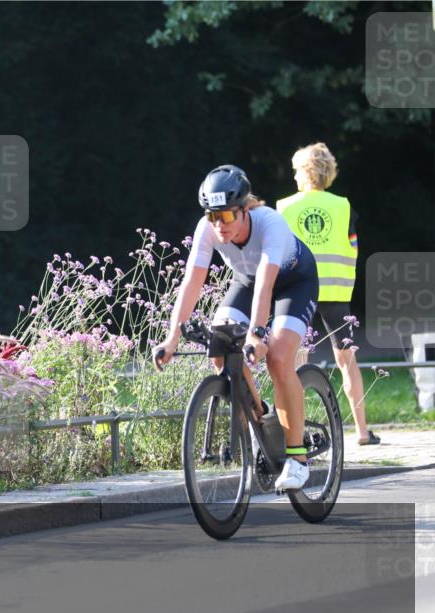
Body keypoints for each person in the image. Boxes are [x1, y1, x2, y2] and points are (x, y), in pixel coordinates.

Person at [153, 165, 319, 491]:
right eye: (213, 216)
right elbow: (191, 283)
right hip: (247, 281)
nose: (220, 225)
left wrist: (257, 334)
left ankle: (297, 458)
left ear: (245, 210)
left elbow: (266, 287)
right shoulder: (207, 228)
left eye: (227, 216)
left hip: (292, 282)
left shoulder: (270, 223)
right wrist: (171, 337)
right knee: (220, 349)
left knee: (278, 357)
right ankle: (262, 420)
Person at [277, 142, 380, 446]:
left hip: (298, 291)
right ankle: (362, 432)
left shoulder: (284, 208)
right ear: (328, 172)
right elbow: (353, 246)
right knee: (347, 361)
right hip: (336, 293)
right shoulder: (344, 206)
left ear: (302, 173)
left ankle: (298, 431)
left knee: (296, 359)